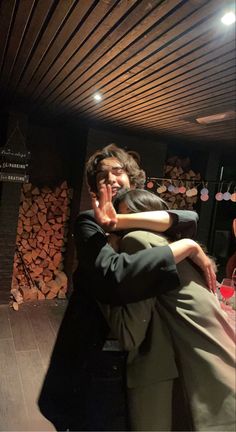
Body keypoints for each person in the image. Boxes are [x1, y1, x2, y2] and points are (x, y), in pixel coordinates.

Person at [38, 144, 216, 431]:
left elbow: (189, 219)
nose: (110, 178)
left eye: (118, 172)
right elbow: (113, 276)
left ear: (132, 181)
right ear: (94, 189)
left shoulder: (143, 217)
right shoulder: (88, 223)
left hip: (140, 360)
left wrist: (120, 220)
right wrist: (184, 247)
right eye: (102, 176)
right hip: (97, 358)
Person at [98, 188, 236, 431]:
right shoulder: (172, 242)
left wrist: (102, 271)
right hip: (218, 371)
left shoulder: (136, 241)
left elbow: (130, 334)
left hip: (207, 381)